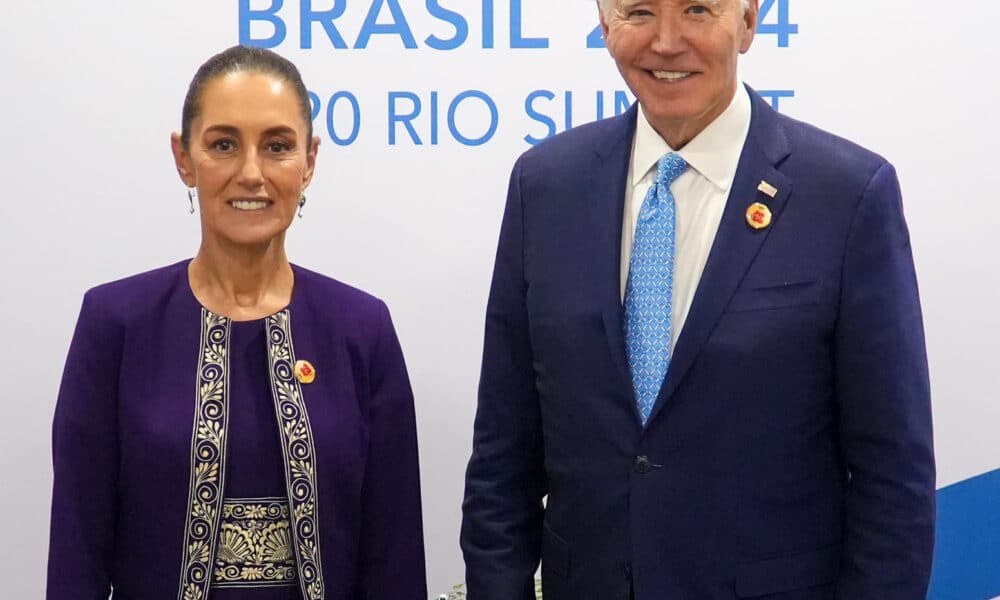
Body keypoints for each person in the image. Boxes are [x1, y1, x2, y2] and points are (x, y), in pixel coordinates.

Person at [461, 1, 935, 598]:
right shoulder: (544, 185)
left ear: (747, 22)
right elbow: (503, 457)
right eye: (638, 11)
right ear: (605, 25)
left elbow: (893, 477)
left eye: (697, 9)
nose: (666, 41)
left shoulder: (847, 196)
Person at [47, 46, 427, 600]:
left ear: (310, 161)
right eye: (223, 145)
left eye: (277, 147)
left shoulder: (361, 330)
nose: (251, 173)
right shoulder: (115, 326)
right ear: (184, 158)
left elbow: (394, 559)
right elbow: (76, 555)